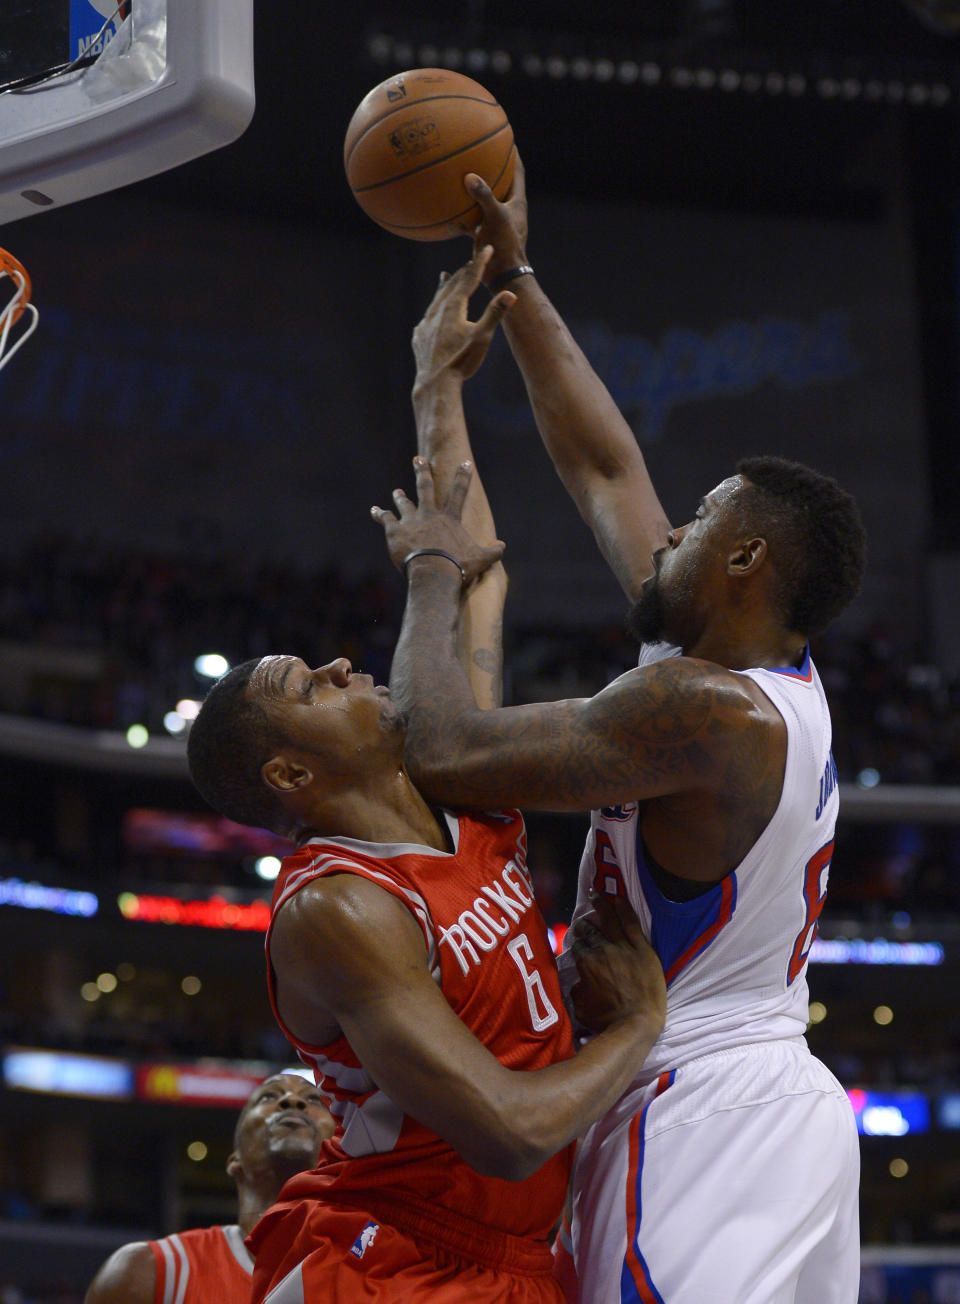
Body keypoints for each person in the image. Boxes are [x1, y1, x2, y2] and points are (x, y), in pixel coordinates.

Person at [372, 168, 867, 1304]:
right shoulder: (740, 662)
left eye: (697, 522)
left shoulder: (706, 712)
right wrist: (517, 273)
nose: (671, 526)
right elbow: (602, 463)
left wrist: (436, 565)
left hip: (704, 1099)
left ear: (743, 561)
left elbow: (443, 749)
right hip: (744, 1096)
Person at [184, 246, 667, 1304]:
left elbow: (473, 562)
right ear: (291, 769)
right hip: (390, 1259)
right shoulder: (339, 908)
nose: (344, 666)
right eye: (310, 683)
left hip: (519, 1256)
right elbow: (501, 1130)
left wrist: (435, 381)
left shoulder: (457, 783)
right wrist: (637, 1024)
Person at [84, 1071, 335, 1304]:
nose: (292, 1101)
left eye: (314, 1100)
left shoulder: (370, 1271)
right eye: (269, 1096)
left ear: (340, 1153)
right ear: (234, 1160)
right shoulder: (145, 1272)